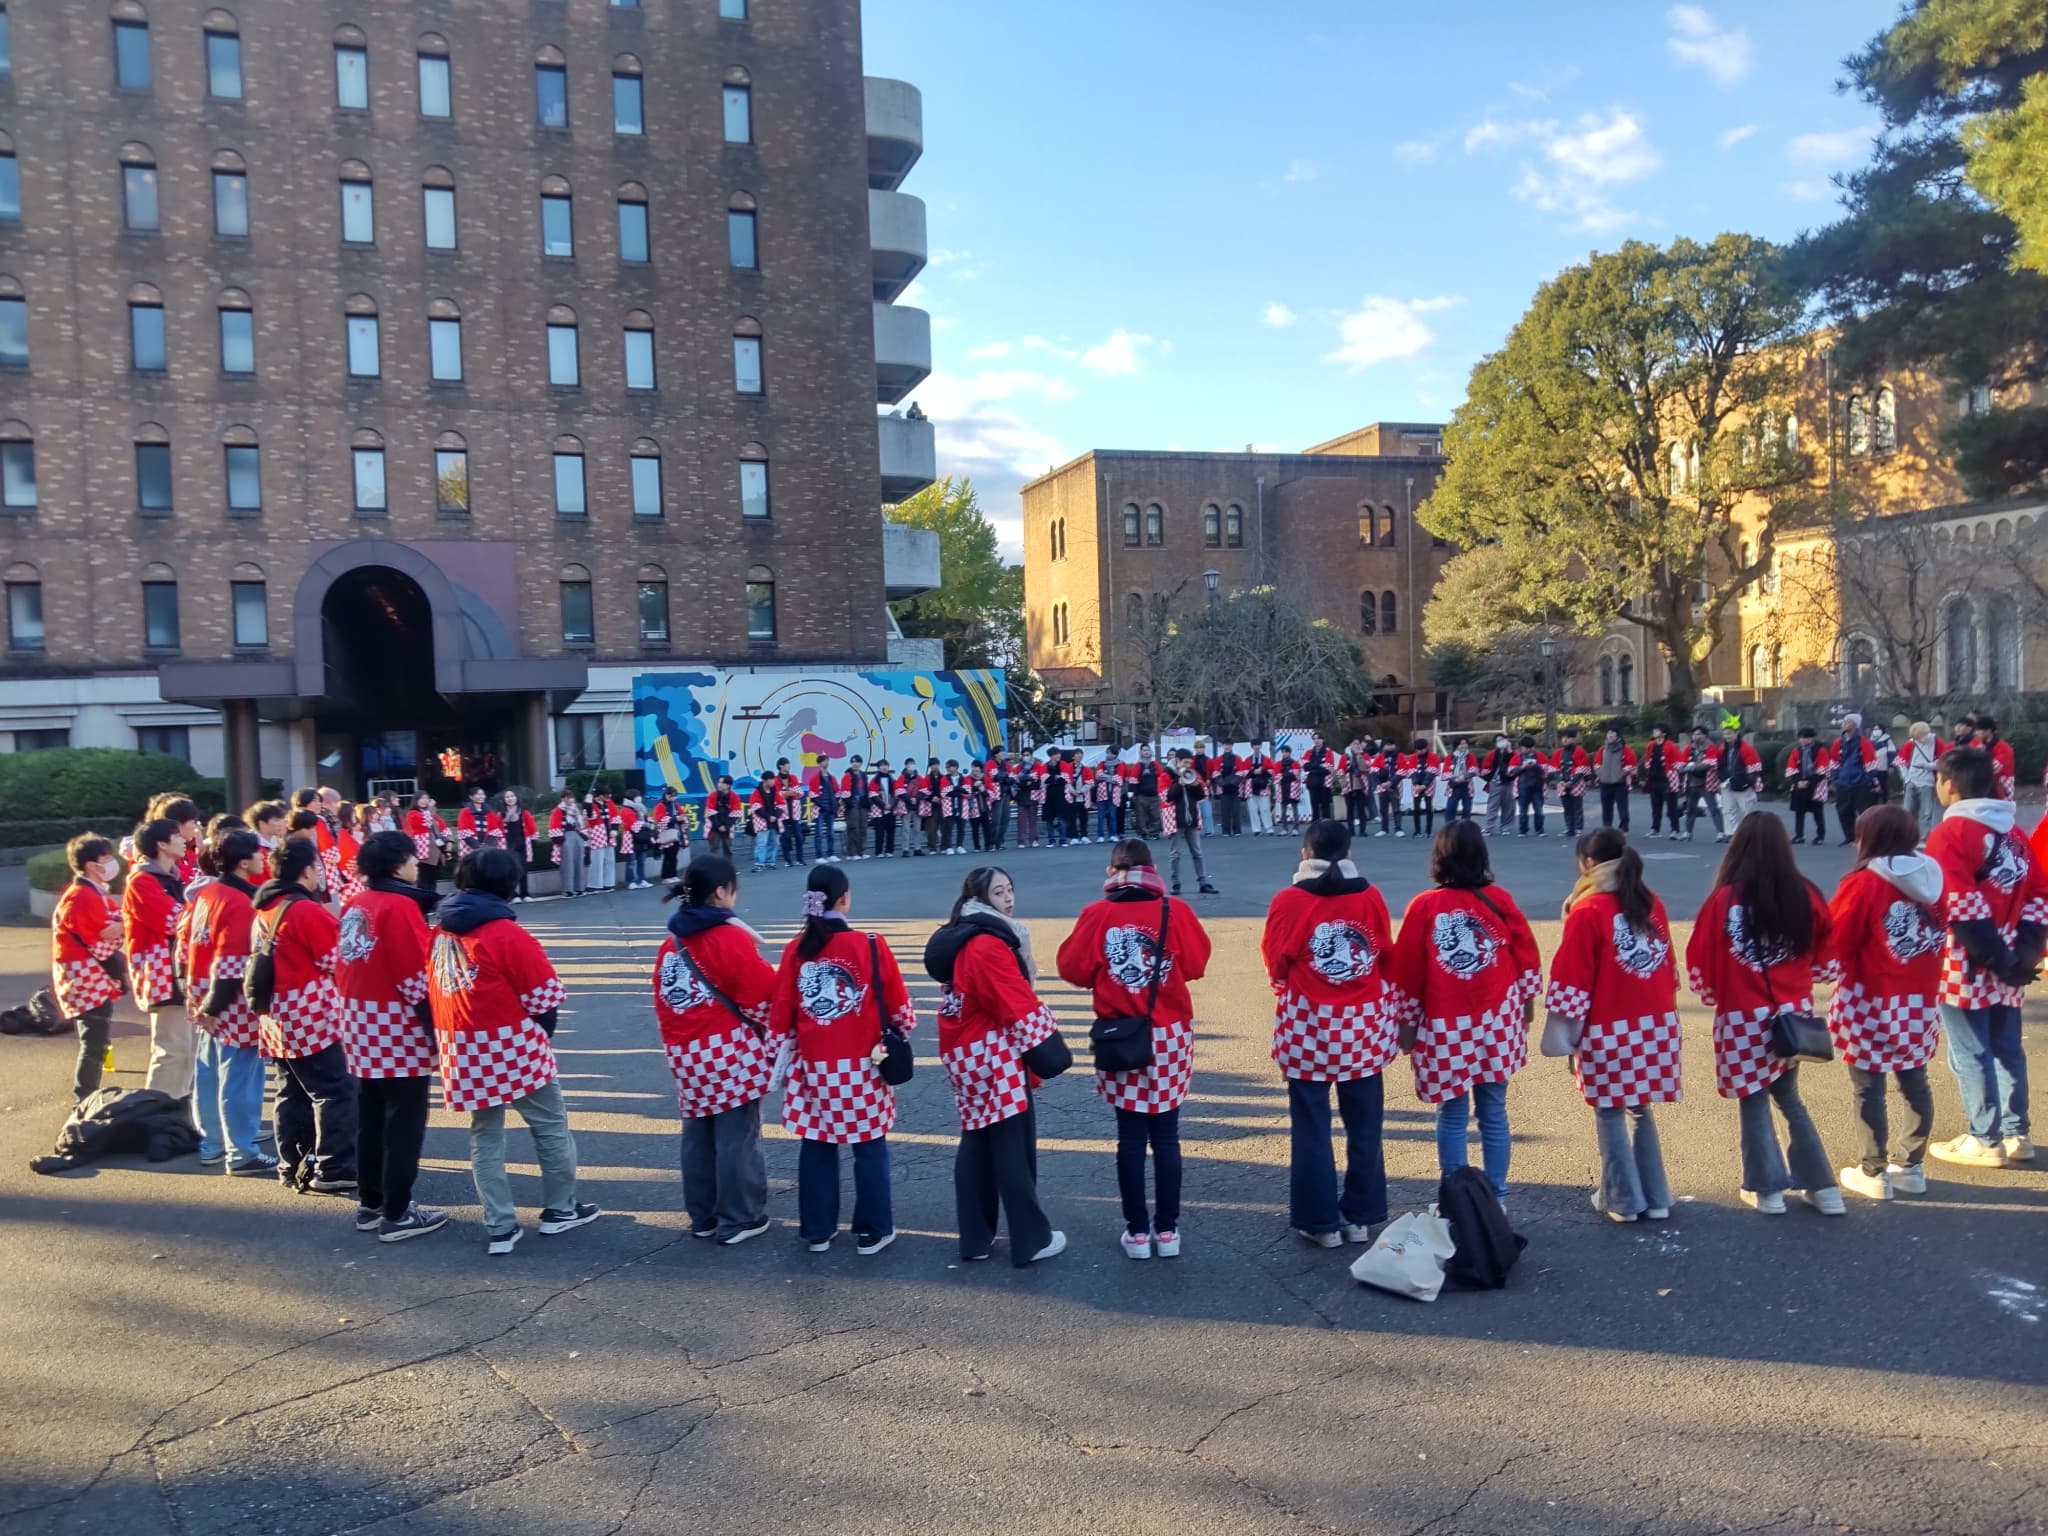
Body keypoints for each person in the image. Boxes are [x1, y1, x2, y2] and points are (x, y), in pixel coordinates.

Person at [429, 847, 598, 1254]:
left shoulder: (440, 931)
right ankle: (561, 1209)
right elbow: (545, 998)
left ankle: (500, 1225)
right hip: (511, 1042)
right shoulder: (507, 933)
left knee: (485, 1135)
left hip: (461, 1046)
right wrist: (540, 1034)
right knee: (550, 1125)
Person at [1057, 839, 1211, 1259]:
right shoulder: (1174, 911)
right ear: (1151, 869)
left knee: (1129, 1137)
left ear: (1112, 872)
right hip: (1169, 1034)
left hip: (1121, 1036)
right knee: (1166, 1136)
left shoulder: (1098, 914)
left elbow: (1070, 967)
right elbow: (1196, 964)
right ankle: (1169, 1230)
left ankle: (1138, 1232)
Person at [1684, 813, 1843, 1215]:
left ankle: (1767, 1190)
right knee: (1790, 1100)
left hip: (1741, 1014)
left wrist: (1714, 991)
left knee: (1752, 1102)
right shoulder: (1805, 893)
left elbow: (1700, 959)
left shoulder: (1725, 899)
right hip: (1793, 1016)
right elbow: (1827, 963)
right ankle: (1824, 1188)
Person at [1388, 821, 1541, 1205]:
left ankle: (1456, 1195)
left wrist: (1406, 1026)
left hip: (1444, 1024)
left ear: (1439, 859)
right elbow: (1526, 957)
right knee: (1493, 1111)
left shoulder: (1424, 906)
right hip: (1497, 1019)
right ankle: (1497, 1194)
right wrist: (1525, 1006)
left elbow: (1407, 972)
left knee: (1452, 1113)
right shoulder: (1500, 899)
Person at [1260, 819, 1397, 1247]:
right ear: (1349, 853)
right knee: (1366, 1123)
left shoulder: (1289, 900)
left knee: (1311, 1124)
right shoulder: (1370, 895)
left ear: (1305, 855)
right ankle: (1361, 1213)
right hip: (1363, 1023)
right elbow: (1383, 954)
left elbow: (1276, 962)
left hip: (1309, 1024)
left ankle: (1318, 1220)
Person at [924, 866, 1065, 1266]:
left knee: (978, 1143)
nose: (1008, 898)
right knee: (1012, 1150)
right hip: (992, 1055)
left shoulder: (963, 935)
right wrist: (1051, 1047)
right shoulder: (987, 943)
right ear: (982, 898)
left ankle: (975, 1237)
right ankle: (1030, 1239)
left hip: (965, 1053)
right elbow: (1014, 1003)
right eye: (999, 892)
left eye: (1010, 889)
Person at [770, 865, 915, 1253]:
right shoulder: (870, 944)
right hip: (864, 1063)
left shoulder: (795, 951)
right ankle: (872, 1229)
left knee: (817, 1143)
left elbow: (780, 1014)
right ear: (845, 899)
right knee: (869, 1144)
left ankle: (817, 1230)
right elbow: (900, 1009)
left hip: (814, 1066)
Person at [1544, 828, 1680, 1222]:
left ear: (1588, 863)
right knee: (1640, 1108)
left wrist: (1565, 1034)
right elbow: (1668, 967)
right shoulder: (1651, 901)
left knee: (1608, 1110)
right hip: (1655, 1022)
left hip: (1608, 1025)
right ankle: (1655, 1197)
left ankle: (1623, 1198)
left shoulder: (1587, 910)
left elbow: (1571, 979)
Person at [1823, 805, 1945, 1201]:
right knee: (1915, 1081)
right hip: (1921, 996)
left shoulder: (1863, 883)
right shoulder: (1933, 876)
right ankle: (1910, 1165)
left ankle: (1872, 1170)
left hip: (1871, 995)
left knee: (1868, 1086)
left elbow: (1834, 942)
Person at [655, 854, 778, 1244]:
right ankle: (739, 1217)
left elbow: (665, 1001)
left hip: (684, 1052)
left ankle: (702, 1215)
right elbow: (763, 997)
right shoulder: (730, 938)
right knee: (735, 1136)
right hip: (728, 1052)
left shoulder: (671, 944)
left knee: (697, 1134)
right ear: (721, 891)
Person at [1932, 746, 2043, 1167]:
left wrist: (1997, 957)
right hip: (2012, 953)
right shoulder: (2013, 833)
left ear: (1950, 784)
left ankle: (1985, 1137)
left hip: (1967, 956)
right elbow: (2038, 895)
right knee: (2006, 1046)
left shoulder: (1951, 833)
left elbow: (1958, 903)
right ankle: (2018, 1134)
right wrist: (2022, 954)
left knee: (1971, 1049)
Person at [336, 830, 447, 1241]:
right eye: (412, 858)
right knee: (404, 1122)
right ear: (399, 863)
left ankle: (371, 1203)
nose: (417, 864)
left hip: (358, 1021)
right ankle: (398, 1212)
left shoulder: (356, 902)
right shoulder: (399, 906)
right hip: (395, 1025)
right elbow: (416, 979)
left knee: (370, 1118)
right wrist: (436, 1032)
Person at [251, 838, 358, 1195]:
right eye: (319, 866)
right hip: (309, 1013)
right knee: (335, 1091)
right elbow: (336, 961)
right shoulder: (305, 910)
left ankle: (292, 1163)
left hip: (275, 1013)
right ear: (307, 870)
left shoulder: (266, 906)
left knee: (291, 1091)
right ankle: (334, 1166)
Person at [180, 829, 275, 1173]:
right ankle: (241, 1152)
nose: (263, 858)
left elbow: (187, 949)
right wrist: (212, 1007)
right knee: (240, 1077)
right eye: (258, 853)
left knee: (209, 1072)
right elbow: (232, 965)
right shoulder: (240, 901)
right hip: (229, 998)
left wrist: (201, 1004)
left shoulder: (207, 893)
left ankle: (213, 1143)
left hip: (203, 989)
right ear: (243, 860)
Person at [51, 834, 127, 1102]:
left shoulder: (89, 892)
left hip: (89, 977)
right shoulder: (82, 896)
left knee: (95, 1041)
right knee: (92, 1043)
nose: (112, 862)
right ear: (92, 865)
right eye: (107, 858)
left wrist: (120, 927)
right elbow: (102, 941)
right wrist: (122, 929)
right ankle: (83, 1100)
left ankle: (85, 1098)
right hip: (86, 978)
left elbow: (114, 929)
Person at [123, 818, 193, 1105]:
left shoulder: (173, 879)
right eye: (177, 836)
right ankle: (154, 1115)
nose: (184, 840)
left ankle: (178, 1113)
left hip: (179, 972)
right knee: (171, 1050)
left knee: (187, 1051)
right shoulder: (142, 881)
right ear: (161, 844)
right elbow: (178, 920)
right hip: (161, 975)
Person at [1164, 756, 1219, 896]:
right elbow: (1167, 797)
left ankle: (1203, 882)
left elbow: (1201, 796)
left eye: (1189, 763)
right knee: (1175, 854)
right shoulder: (1167, 775)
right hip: (1176, 819)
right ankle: (1175, 883)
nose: (1188, 765)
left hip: (1192, 819)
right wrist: (1179, 783)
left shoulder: (1193, 775)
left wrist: (1196, 785)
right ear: (1178, 761)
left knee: (1197, 852)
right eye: (1185, 762)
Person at [1829, 714, 1877, 845]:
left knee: (1864, 812)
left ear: (1855, 724)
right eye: (1844, 721)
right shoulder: (1838, 743)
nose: (1844, 723)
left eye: (1848, 721)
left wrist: (1868, 778)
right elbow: (1834, 761)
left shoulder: (1864, 742)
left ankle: (1865, 837)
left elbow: (1871, 761)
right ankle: (1850, 837)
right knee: (1843, 811)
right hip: (1843, 782)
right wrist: (1835, 776)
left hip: (1860, 782)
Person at [1678, 726, 1724, 842]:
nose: (1695, 737)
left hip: (1706, 782)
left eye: (1698, 734)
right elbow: (1681, 763)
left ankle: (1720, 833)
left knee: (1713, 808)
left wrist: (1690, 768)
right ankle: (1688, 832)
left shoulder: (1711, 747)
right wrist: (1683, 767)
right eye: (1694, 734)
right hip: (1692, 783)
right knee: (1690, 809)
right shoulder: (1690, 748)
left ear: (1705, 735)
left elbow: (1708, 764)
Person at [1784, 728, 1828, 846]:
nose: (1803, 740)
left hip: (1815, 784)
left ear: (1811, 738)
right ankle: (1799, 835)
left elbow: (1822, 770)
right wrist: (1797, 781)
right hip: (1799, 783)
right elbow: (1791, 767)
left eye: (1805, 737)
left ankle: (1820, 835)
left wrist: (1808, 782)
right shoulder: (1796, 751)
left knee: (1817, 811)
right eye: (1801, 737)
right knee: (1799, 811)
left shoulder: (1820, 750)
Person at [1715, 725, 1763, 829]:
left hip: (1743, 783)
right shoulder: (1722, 749)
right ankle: (1731, 833)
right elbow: (1719, 766)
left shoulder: (1746, 748)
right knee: (1728, 810)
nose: (1727, 736)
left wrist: (1750, 782)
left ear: (1736, 733)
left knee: (1746, 810)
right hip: (1726, 783)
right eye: (1725, 734)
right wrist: (1719, 780)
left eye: (1729, 733)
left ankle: (1749, 833)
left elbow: (1754, 768)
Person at [1898, 722, 1939, 839]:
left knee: (1927, 811)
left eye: (1923, 735)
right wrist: (1907, 779)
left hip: (1927, 781)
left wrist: (1927, 765)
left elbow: (1942, 761)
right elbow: (1901, 762)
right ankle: (1909, 835)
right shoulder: (1910, 744)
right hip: (1911, 780)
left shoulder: (1935, 742)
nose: (1922, 739)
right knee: (1908, 810)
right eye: (1918, 737)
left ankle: (1924, 836)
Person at [1641, 725, 1679, 838]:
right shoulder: (1651, 745)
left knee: (1672, 806)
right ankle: (1655, 829)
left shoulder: (1670, 745)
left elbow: (1676, 761)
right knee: (1655, 806)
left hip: (1667, 778)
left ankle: (1674, 830)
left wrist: (1673, 774)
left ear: (1664, 733)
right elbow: (1647, 759)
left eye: (1657, 730)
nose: (1654, 732)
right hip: (1654, 778)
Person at [406, 793, 448, 896]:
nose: (424, 800)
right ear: (415, 800)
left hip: (437, 848)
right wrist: (431, 808)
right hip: (424, 849)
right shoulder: (412, 813)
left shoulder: (432, 813)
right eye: (421, 798)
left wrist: (449, 843)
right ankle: (423, 900)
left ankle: (431, 900)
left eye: (426, 798)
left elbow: (444, 827)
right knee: (424, 878)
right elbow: (426, 821)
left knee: (432, 878)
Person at [1595, 726, 1635, 831]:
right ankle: (1606, 827)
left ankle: (1624, 826)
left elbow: (1631, 764)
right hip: (1605, 782)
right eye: (1608, 733)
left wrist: (1621, 773)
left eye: (1613, 733)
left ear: (1618, 736)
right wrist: (1600, 773)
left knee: (1622, 806)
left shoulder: (1625, 749)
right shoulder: (1602, 749)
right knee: (1606, 806)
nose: (1610, 735)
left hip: (1620, 783)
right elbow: (1596, 763)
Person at [501, 790, 538, 902]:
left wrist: (532, 840)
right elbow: (497, 830)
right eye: (507, 797)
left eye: (512, 796)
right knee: (510, 870)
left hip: (522, 843)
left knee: (523, 869)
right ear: (504, 800)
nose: (510, 798)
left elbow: (532, 827)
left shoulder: (524, 812)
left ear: (516, 798)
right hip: (508, 844)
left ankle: (525, 893)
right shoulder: (501, 814)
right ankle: (513, 894)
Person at [550, 791, 588, 897]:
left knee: (578, 863)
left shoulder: (576, 810)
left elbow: (582, 825)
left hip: (577, 837)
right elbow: (554, 825)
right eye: (567, 798)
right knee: (567, 864)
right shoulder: (558, 811)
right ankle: (568, 889)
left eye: (571, 797)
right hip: (565, 837)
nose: (569, 800)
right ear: (562, 799)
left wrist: (583, 836)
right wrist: (559, 840)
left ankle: (579, 887)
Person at [1973, 714, 2018, 800]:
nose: (1976, 733)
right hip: (1985, 789)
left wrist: (1980, 756)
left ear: (1988, 730)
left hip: (2002, 788)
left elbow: (1991, 769)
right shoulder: (1979, 745)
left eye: (1979, 730)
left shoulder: (2004, 748)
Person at [1555, 727, 1590, 838]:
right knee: (1567, 807)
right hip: (1562, 782)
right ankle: (1569, 828)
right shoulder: (1559, 752)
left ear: (1573, 739)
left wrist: (1572, 781)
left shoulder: (1580, 751)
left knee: (1577, 807)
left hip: (1576, 781)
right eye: (1563, 738)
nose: (1565, 740)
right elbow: (1553, 768)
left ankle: (1578, 828)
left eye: (1568, 738)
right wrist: (1560, 780)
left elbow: (1582, 768)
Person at [1513, 735, 1549, 837]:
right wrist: (1523, 767)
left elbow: (1545, 772)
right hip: (1522, 787)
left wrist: (1535, 765)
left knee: (1539, 810)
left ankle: (1539, 829)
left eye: (1529, 748)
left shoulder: (1540, 756)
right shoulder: (1517, 757)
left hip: (1537, 786)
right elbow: (1511, 771)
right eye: (1524, 748)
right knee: (1523, 810)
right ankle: (1523, 830)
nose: (1526, 750)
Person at [1479, 735, 1515, 837]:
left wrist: (1509, 751)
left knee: (1508, 805)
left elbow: (1516, 764)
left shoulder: (1513, 753)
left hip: (1508, 781)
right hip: (1495, 781)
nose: (1500, 742)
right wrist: (1489, 777)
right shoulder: (1492, 754)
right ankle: (1489, 827)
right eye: (1498, 741)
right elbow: (1485, 767)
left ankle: (1506, 827)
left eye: (1502, 740)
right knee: (1492, 805)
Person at [457, 787, 504, 862]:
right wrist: (477, 847)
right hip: (470, 845)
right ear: (471, 797)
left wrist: (486, 846)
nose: (481, 796)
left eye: (482, 794)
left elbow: (494, 829)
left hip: (488, 847)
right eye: (478, 794)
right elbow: (463, 830)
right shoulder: (465, 811)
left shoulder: (489, 812)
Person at [705, 776, 742, 863]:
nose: (719, 785)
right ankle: (711, 869)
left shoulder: (734, 796)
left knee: (728, 849)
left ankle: (728, 868)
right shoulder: (713, 795)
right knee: (714, 848)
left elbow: (736, 813)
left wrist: (726, 826)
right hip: (714, 826)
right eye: (719, 782)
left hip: (727, 827)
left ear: (728, 785)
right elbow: (710, 812)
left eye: (722, 783)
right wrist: (718, 826)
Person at [841, 757, 870, 860]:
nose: (855, 764)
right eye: (853, 762)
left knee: (863, 828)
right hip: (852, 805)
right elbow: (844, 792)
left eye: (857, 762)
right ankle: (852, 853)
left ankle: (861, 851)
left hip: (862, 805)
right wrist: (849, 804)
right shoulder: (847, 776)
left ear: (861, 763)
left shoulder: (863, 775)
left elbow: (866, 790)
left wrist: (867, 804)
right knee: (853, 829)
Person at [812, 765, 840, 864]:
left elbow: (837, 793)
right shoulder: (815, 779)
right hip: (820, 810)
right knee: (819, 834)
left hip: (830, 810)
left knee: (830, 833)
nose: (825, 765)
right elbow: (813, 796)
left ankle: (831, 854)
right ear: (819, 765)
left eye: (827, 762)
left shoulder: (832, 778)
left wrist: (835, 806)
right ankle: (819, 856)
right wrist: (823, 806)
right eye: (823, 763)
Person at [1444, 740, 1476, 823]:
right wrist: (1455, 779)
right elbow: (1445, 772)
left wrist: (1463, 777)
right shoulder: (1450, 757)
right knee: (1451, 808)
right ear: (1456, 746)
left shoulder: (1470, 756)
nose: (1463, 745)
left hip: (1467, 785)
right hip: (1454, 785)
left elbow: (1474, 770)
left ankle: (1465, 829)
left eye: (1465, 743)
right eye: (1461, 744)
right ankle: (1449, 828)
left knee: (1467, 809)